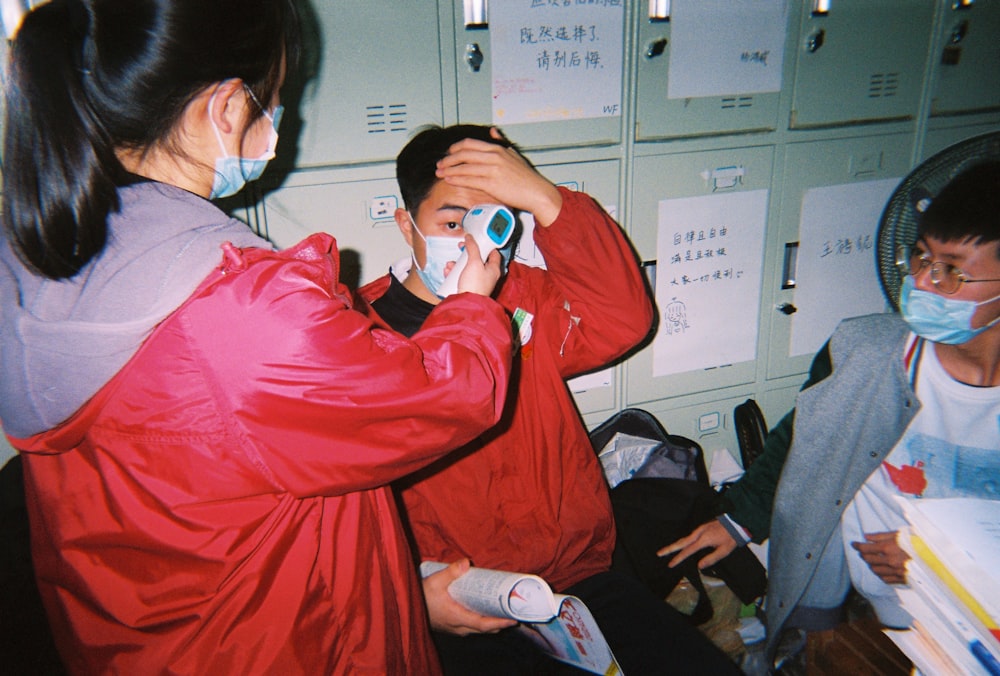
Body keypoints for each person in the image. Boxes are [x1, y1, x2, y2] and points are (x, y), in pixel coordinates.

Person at [0, 2, 513, 673]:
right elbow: (444, 396)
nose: (284, 122)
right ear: (222, 108)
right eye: (274, 100)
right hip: (286, 647)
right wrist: (474, 306)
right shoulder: (241, 311)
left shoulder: (42, 256)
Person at [360, 124, 740, 674]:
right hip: (456, 598)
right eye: (450, 222)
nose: (473, 244)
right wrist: (413, 594)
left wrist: (545, 199)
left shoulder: (524, 299)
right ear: (406, 224)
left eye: (492, 221)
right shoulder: (358, 336)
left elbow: (622, 320)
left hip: (572, 579)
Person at [660, 160, 1000, 671]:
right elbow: (802, 438)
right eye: (921, 256)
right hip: (871, 619)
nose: (925, 283)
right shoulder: (864, 352)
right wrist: (738, 519)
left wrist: (941, 566)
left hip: (975, 629)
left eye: (952, 270)